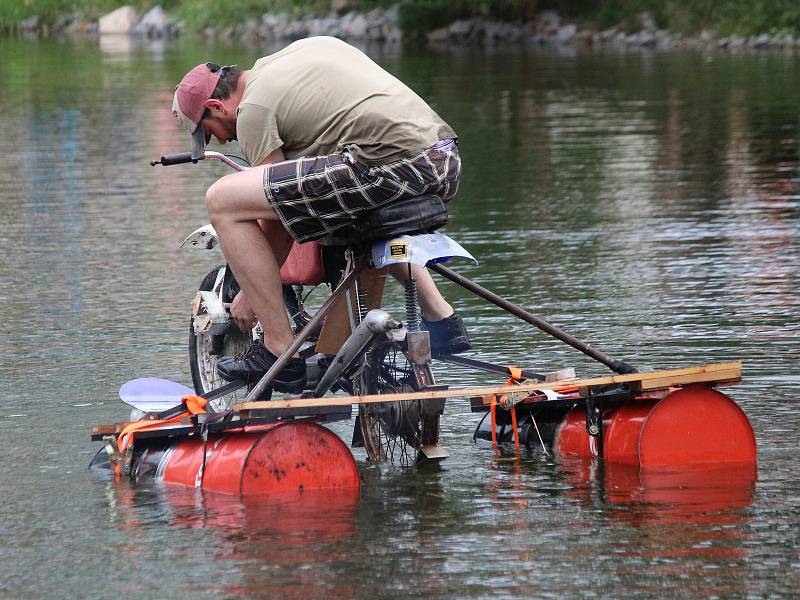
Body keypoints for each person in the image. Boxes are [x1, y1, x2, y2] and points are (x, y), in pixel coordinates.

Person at [171, 36, 469, 393]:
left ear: (216, 106)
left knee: (222, 199)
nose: (219, 142)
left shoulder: (252, 111)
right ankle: (441, 317)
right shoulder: (299, 53)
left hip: (390, 164)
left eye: (208, 132)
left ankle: (279, 350)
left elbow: (279, 214)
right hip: (443, 158)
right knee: (354, 212)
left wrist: (251, 297)